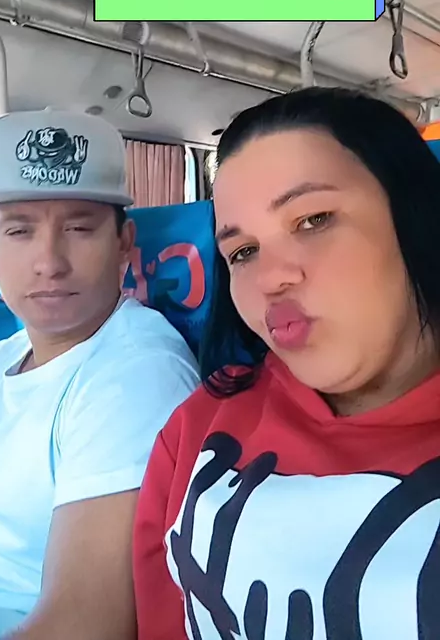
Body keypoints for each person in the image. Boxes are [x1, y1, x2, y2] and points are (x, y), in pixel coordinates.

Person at [133, 86, 440, 640]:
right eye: (243, 252)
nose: (271, 278)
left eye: (313, 219)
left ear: (416, 215)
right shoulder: (197, 426)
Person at [0, 109, 200, 640]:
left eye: (79, 228)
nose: (49, 262)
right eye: (19, 231)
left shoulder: (137, 372)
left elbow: (85, 623)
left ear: (123, 242)